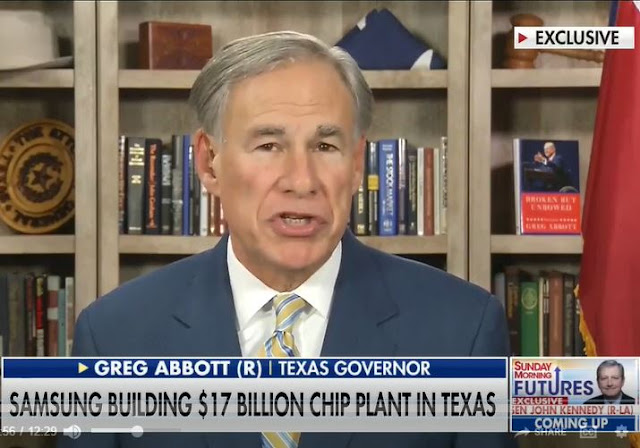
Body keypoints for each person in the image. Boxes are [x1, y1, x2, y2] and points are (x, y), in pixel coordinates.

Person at [59, 31, 512, 448]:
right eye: (269, 146)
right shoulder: (114, 336)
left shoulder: (463, 331)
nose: (301, 180)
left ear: (357, 164)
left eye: (325, 146)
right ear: (209, 162)